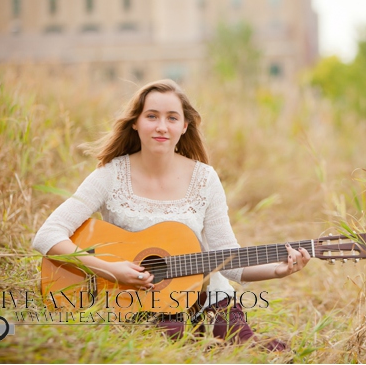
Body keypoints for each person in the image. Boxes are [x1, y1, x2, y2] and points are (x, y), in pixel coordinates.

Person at [32, 79, 307, 351]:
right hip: (128, 299)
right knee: (170, 334)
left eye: (172, 118)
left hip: (206, 296)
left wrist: (278, 270)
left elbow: (229, 260)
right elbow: (48, 235)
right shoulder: (110, 175)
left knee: (259, 351)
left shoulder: (204, 178)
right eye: (152, 116)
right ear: (135, 122)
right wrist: (110, 270)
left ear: (184, 126)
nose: (162, 126)